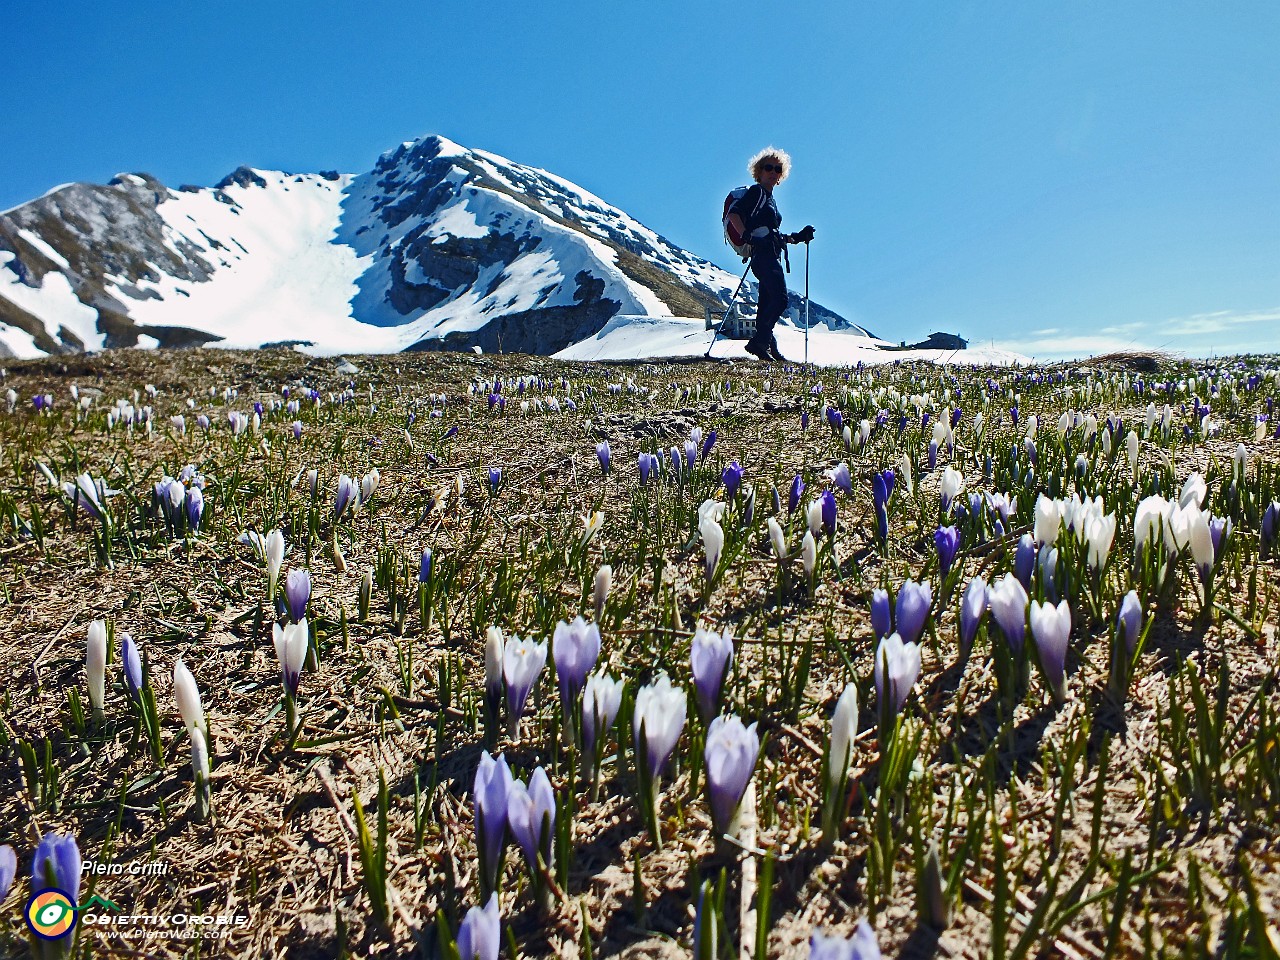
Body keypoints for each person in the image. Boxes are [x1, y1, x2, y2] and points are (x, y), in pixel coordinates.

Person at [725, 147, 815, 361]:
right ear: (759, 171)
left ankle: (768, 347)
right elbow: (734, 214)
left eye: (778, 168)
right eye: (768, 167)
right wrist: (748, 237)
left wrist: (797, 237)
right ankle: (760, 342)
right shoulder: (757, 193)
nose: (773, 172)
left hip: (768, 252)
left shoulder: (769, 199)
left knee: (767, 300)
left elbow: (770, 232)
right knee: (779, 299)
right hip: (762, 254)